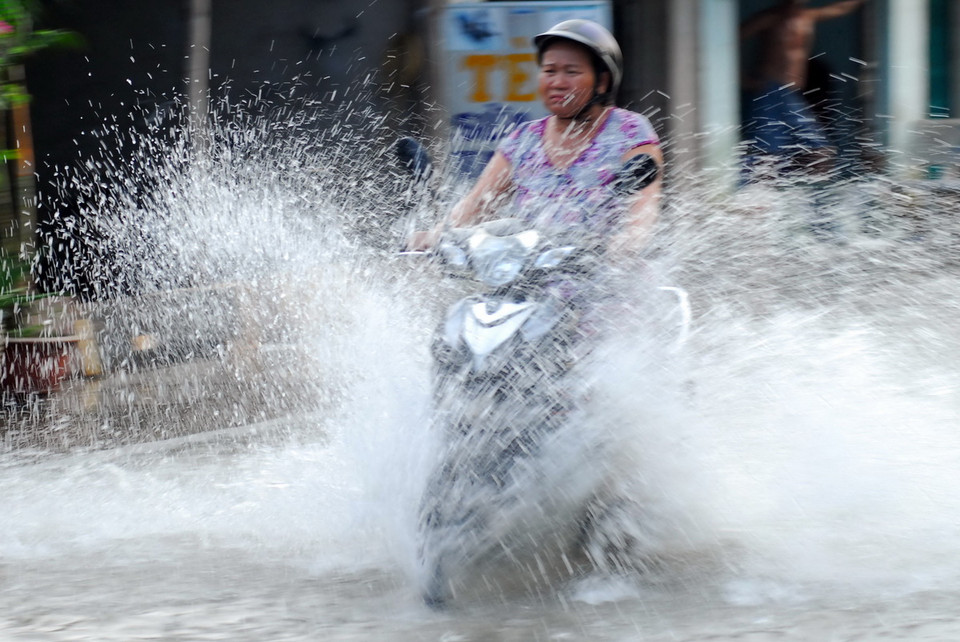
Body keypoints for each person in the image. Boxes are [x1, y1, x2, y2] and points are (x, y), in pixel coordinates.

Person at [408, 19, 662, 257]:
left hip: (606, 288)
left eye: (571, 72)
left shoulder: (630, 132)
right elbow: (478, 203)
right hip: (527, 282)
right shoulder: (524, 140)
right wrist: (435, 236)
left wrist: (628, 242)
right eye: (549, 71)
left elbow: (643, 210)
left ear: (602, 81)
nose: (557, 82)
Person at [740, 0, 869, 169]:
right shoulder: (770, 18)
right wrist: (741, 78)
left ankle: (788, 188)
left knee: (782, 153)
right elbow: (733, 38)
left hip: (791, 92)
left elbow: (843, 7)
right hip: (771, 90)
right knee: (779, 153)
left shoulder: (807, 17)